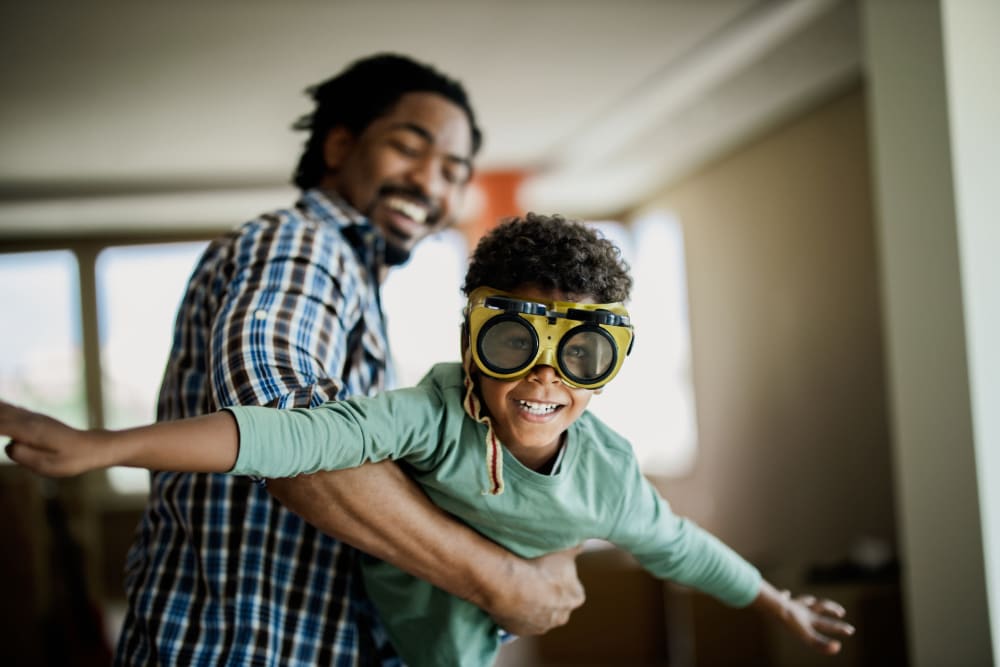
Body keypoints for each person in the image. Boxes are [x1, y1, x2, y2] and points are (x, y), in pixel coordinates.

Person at [3, 215, 856, 666]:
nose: (543, 380)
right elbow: (288, 437)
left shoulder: (609, 479)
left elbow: (685, 548)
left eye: (582, 354)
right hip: (360, 626)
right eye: (515, 344)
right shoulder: (430, 411)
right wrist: (102, 446)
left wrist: (777, 602)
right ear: (470, 345)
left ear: (606, 367)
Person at [94, 53, 585, 665]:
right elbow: (288, 428)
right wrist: (495, 579)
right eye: (409, 147)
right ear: (339, 144)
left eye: (454, 172)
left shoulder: (353, 286)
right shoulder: (304, 242)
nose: (430, 184)